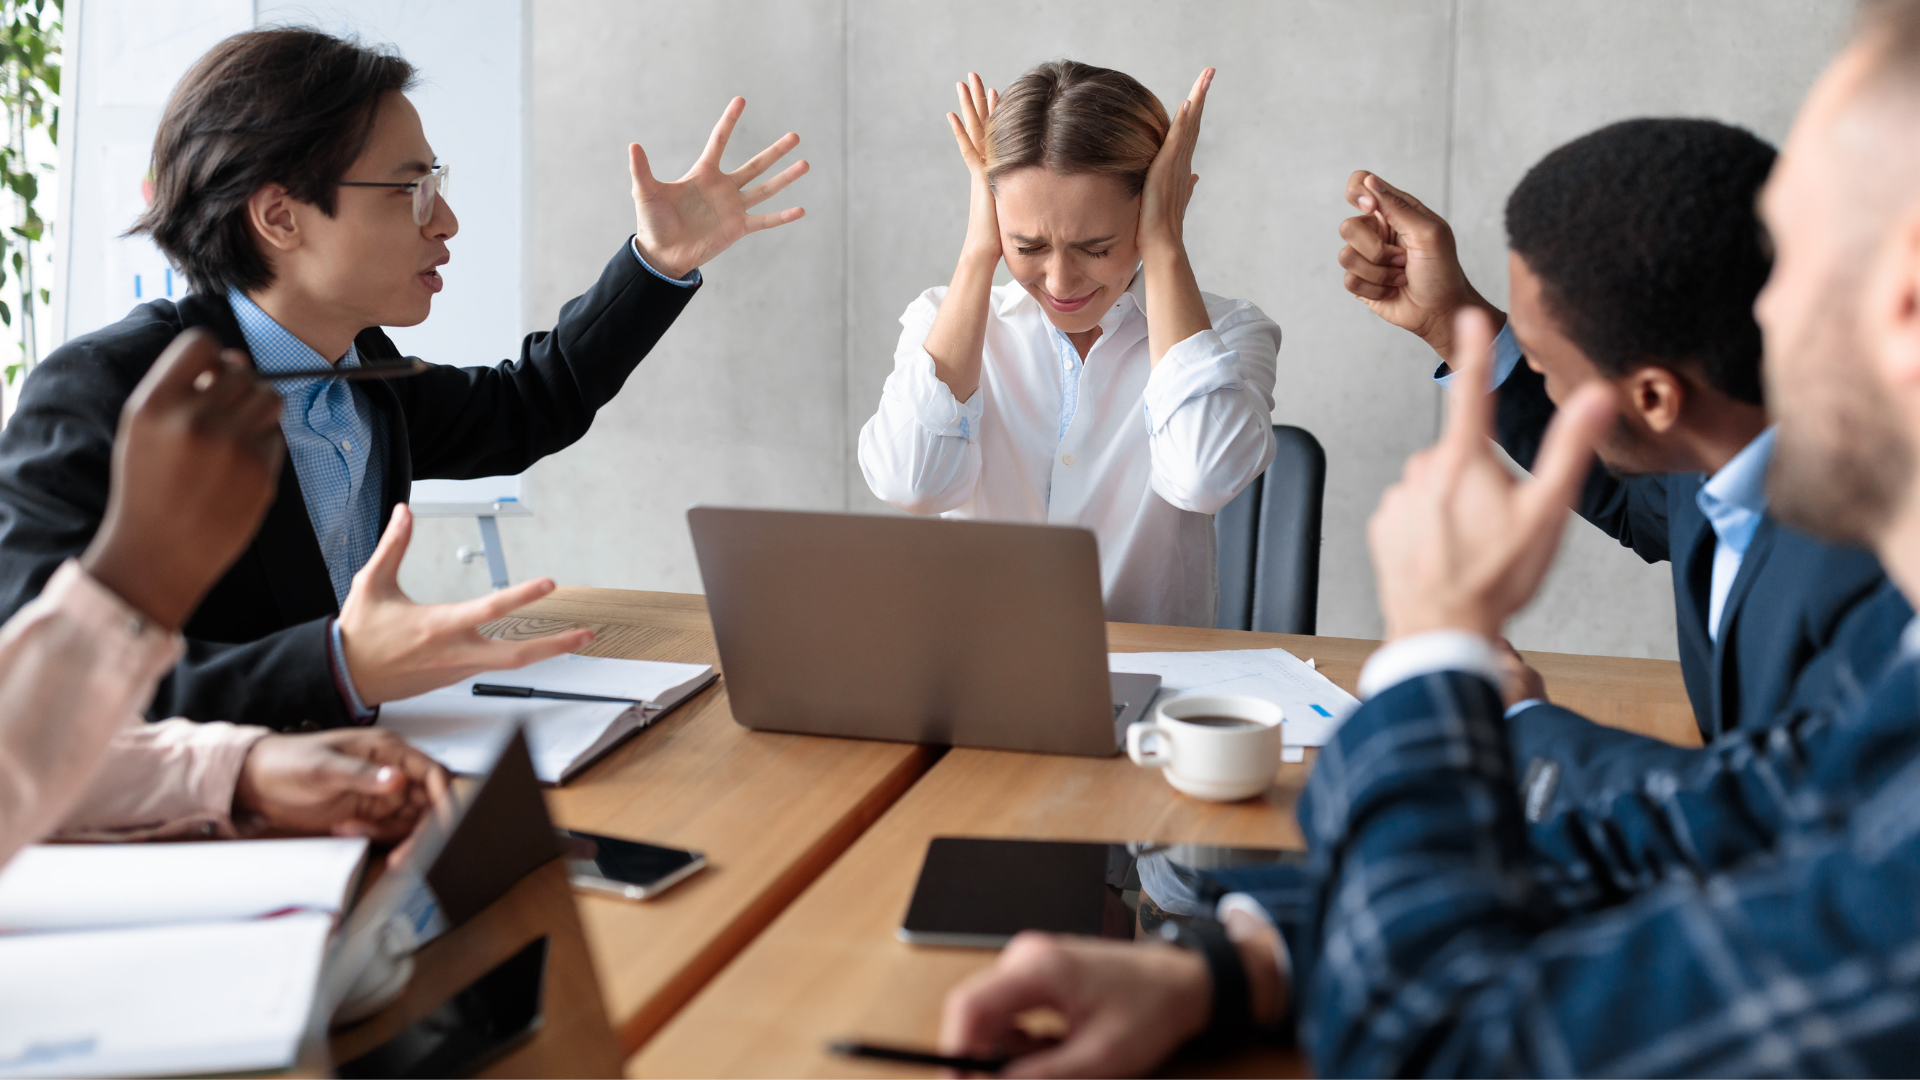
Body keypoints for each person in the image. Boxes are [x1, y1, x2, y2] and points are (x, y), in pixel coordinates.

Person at [941, 3, 1920, 1073]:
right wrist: (1233, 967)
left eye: (1794, 254)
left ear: (1903, 303)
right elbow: (1715, 823)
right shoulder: (1883, 667)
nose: (1742, 304)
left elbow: (1431, 1035)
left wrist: (1435, 658)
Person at [0, 27, 808, 729]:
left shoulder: (360, 369)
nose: (445, 221)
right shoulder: (105, 394)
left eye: (436, 186)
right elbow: (36, 696)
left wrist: (656, 263)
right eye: (410, 191)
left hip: (358, 773)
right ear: (279, 216)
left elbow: (528, 405)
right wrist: (338, 667)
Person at [1, 328, 445, 870]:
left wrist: (243, 773)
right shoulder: (100, 376)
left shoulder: (371, 370)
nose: (446, 240)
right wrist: (133, 579)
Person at [857, 63, 1280, 628]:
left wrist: (1165, 246)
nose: (1059, 282)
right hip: (980, 668)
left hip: (1154, 674)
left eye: (1096, 248)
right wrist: (979, 251)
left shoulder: (1227, 333)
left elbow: (1203, 476)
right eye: (1027, 246)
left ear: (1151, 209)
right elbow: (912, 484)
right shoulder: (940, 322)